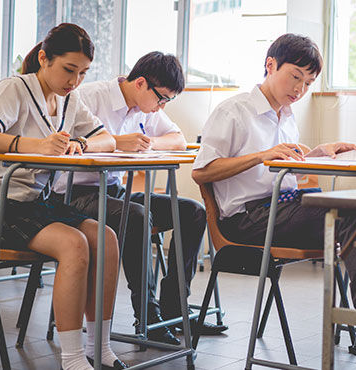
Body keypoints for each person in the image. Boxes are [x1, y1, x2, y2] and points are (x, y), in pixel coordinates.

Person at [191, 33, 356, 370]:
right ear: (270, 65)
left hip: (283, 206)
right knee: (350, 214)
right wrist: (260, 156)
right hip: (247, 219)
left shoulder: (285, 115)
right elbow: (201, 172)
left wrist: (317, 155)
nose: (300, 89)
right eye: (295, 77)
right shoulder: (233, 110)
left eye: (308, 82)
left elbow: (284, 170)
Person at [51, 51, 227, 345]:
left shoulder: (147, 108)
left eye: (167, 101)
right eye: (162, 98)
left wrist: (147, 143)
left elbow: (177, 138)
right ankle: (148, 315)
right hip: (72, 194)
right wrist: (117, 143)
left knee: (192, 212)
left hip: (113, 192)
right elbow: (62, 142)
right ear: (141, 83)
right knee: (136, 215)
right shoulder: (90, 97)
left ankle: (174, 307)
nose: (162, 106)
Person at [0, 23, 127, 370]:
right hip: (3, 205)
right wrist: (36, 146)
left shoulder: (70, 101)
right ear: (44, 58)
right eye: (69, 70)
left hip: (37, 203)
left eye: (83, 73)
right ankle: (71, 359)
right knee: (74, 244)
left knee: (106, 239)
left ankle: (97, 346)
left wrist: (81, 143)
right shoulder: (15, 89)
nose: (75, 81)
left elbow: (108, 140)